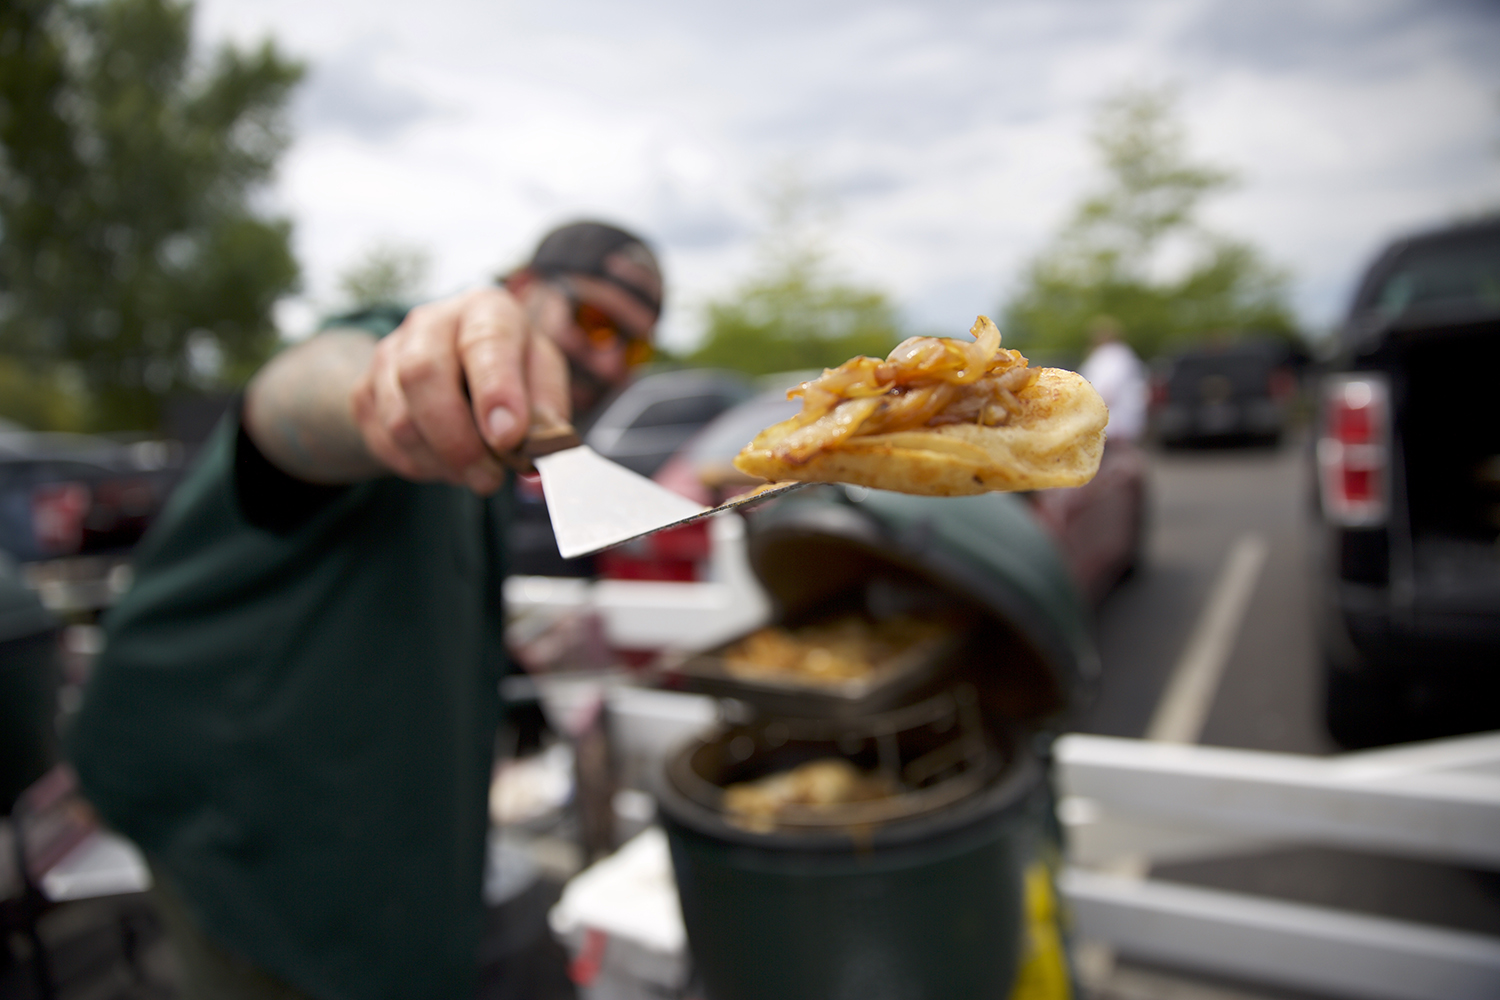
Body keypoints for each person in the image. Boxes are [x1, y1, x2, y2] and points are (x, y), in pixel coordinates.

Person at [66, 221, 662, 1000]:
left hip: (380, 834)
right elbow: (300, 400)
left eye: (636, 347)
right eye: (593, 321)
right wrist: (395, 386)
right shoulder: (416, 361)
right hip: (240, 830)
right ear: (519, 291)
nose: (609, 359)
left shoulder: (494, 450)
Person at [1077, 316, 1147, 443]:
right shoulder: (1115, 354)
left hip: (1113, 423)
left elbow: (1108, 389)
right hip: (1111, 421)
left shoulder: (1114, 355)